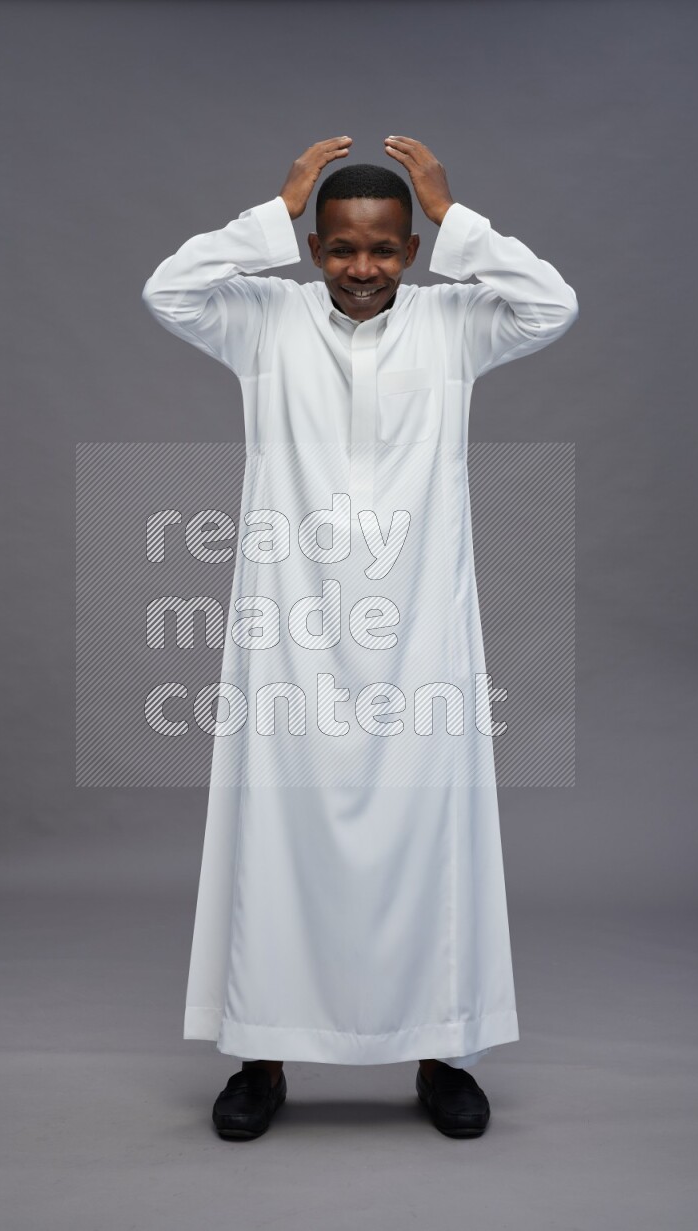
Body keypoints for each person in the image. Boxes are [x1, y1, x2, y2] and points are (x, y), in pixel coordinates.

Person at [142, 135, 578, 1140]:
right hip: (286, 632)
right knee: (274, 836)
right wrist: (272, 206)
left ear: (414, 248)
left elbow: (552, 304)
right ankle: (261, 1051)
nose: (361, 269)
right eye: (339, 248)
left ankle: (444, 1051)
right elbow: (168, 289)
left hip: (421, 632)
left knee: (434, 837)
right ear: (312, 246)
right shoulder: (261, 318)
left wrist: (456, 213)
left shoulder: (455, 322)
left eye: (384, 249)